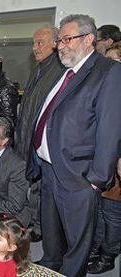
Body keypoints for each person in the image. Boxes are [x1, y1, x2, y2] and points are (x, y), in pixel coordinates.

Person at [26, 14, 121, 276]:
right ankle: (50, 265)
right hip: (50, 169)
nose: (61, 45)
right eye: (60, 40)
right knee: (52, 231)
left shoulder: (108, 71)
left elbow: (110, 128)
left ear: (89, 39)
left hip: (79, 175)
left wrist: (97, 177)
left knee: (77, 241)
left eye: (67, 38)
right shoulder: (67, 70)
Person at [14, 25, 65, 240]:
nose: (35, 48)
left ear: (55, 44)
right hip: (26, 138)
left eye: (40, 43)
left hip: (41, 144)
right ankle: (32, 222)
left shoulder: (60, 69)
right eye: (34, 43)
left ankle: (40, 228)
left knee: (40, 190)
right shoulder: (40, 68)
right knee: (30, 187)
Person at [87, 43, 121, 274]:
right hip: (102, 161)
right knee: (99, 210)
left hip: (117, 163)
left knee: (113, 214)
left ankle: (108, 255)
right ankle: (96, 248)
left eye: (114, 61)